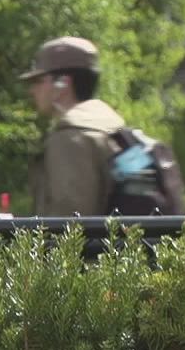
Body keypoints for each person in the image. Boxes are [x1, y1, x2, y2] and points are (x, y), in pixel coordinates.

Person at [21, 35, 127, 216]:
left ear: (63, 84)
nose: (32, 90)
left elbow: (70, 220)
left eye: (39, 81)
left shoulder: (70, 138)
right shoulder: (112, 127)